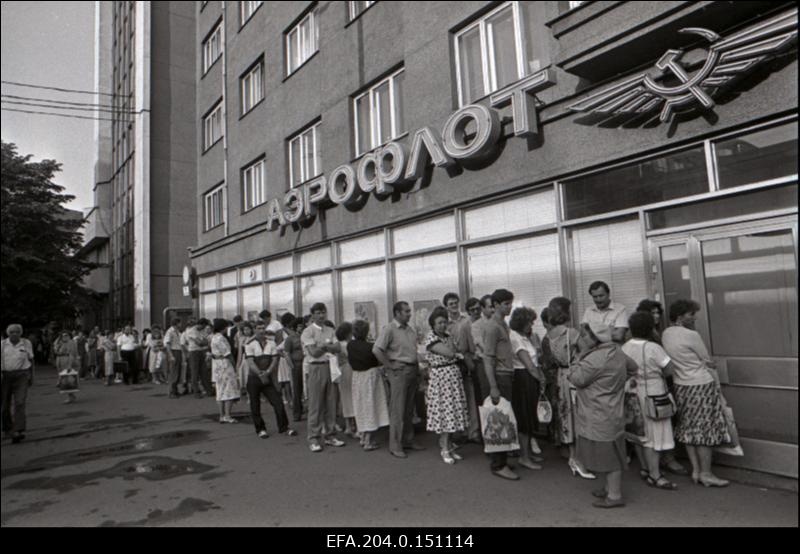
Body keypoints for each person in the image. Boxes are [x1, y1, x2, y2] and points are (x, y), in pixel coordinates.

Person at [567, 322, 638, 508]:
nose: (580, 339)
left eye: (584, 336)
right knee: (611, 451)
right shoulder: (617, 351)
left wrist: (578, 357)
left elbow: (576, 378)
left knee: (609, 457)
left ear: (593, 339)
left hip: (597, 411)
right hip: (613, 409)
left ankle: (614, 496)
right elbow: (634, 367)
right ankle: (608, 489)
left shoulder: (595, 358)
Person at [662, 299, 730, 488]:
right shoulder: (692, 335)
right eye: (691, 314)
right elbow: (707, 361)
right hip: (700, 384)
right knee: (705, 430)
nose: (694, 317)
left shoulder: (666, 333)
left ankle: (696, 471)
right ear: (680, 316)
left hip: (681, 386)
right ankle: (707, 473)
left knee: (689, 428)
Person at [622, 312, 678, 490]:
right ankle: (655, 475)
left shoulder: (625, 347)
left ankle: (645, 468)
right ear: (650, 328)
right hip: (653, 393)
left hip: (632, 392)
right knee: (654, 436)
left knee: (638, 433)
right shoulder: (653, 348)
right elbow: (669, 370)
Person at [634, 300, 688, 477]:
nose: (656, 316)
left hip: (661, 383)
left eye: (658, 313)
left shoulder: (661, 332)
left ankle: (655, 463)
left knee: (662, 422)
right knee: (656, 424)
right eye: (652, 313)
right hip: (654, 384)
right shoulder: (647, 338)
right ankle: (663, 462)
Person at [546, 296, 595, 479]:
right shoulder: (571, 332)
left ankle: (573, 456)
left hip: (560, 377)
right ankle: (578, 459)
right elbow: (586, 351)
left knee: (567, 417)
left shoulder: (550, 334)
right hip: (574, 375)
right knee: (579, 416)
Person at [373, 301, 425, 459]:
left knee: (409, 408)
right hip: (399, 372)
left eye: (409, 311)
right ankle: (395, 445)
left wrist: (419, 369)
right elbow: (377, 350)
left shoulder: (410, 330)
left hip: (412, 370)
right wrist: (390, 366)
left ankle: (408, 440)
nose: (410, 314)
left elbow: (413, 351)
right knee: (398, 409)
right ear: (397, 313)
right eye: (406, 311)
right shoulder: (389, 329)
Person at [479, 289, 520, 480]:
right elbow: (488, 359)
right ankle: (498, 465)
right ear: (495, 305)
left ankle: (501, 459)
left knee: (504, 419)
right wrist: (493, 386)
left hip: (506, 374)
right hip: (499, 376)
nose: (509, 307)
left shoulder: (503, 324)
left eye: (510, 303)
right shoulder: (492, 327)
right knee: (498, 419)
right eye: (505, 304)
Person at [424, 307, 470, 465]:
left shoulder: (448, 335)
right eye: (439, 323)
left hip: (453, 378)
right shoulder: (431, 339)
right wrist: (456, 353)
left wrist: (456, 352)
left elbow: (457, 350)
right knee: (445, 414)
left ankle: (450, 446)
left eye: (445, 322)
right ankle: (444, 447)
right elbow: (451, 353)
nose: (443, 325)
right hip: (441, 380)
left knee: (454, 413)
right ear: (433, 324)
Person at [301, 304, 344, 451]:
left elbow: (338, 348)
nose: (321, 316)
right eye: (318, 313)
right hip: (316, 368)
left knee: (331, 403)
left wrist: (324, 346)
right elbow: (313, 353)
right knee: (316, 405)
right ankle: (313, 438)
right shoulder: (308, 332)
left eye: (323, 313)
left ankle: (330, 435)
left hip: (330, 366)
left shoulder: (330, 330)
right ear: (312, 315)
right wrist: (327, 346)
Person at [508, 307, 546, 471]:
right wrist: (541, 378)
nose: (532, 324)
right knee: (525, 418)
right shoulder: (515, 338)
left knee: (530, 416)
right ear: (522, 322)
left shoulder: (525, 337)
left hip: (530, 378)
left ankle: (527, 453)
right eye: (530, 321)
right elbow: (529, 365)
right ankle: (524, 456)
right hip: (524, 379)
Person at [246, 321, 297, 438]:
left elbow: (274, 360)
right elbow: (250, 362)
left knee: (278, 403)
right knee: (255, 405)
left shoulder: (271, 343)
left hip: (267, 377)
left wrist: (268, 372)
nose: (261, 330)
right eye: (258, 328)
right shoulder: (250, 344)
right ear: (254, 330)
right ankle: (260, 429)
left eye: (263, 328)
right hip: (254, 378)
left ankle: (284, 427)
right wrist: (260, 373)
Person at [444, 293, 481, 444]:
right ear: (446, 306)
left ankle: (473, 431)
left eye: (455, 303)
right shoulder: (445, 323)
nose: (454, 306)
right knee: (458, 397)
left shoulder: (467, 320)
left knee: (471, 395)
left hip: (468, 359)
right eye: (450, 304)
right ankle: (460, 431)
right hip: (453, 361)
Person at [347, 320, 389, 451]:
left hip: (357, 377)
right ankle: (368, 440)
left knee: (360, 406)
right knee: (371, 405)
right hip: (370, 376)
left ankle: (363, 435)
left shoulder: (350, 345)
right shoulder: (371, 346)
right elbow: (378, 360)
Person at [2, 324, 34, 443]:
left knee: (20, 402)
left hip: (22, 375)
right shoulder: (2, 345)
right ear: (8, 334)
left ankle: (18, 430)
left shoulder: (26, 343)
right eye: (11, 332)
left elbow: (31, 359)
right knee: (4, 405)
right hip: (5, 376)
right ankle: (7, 428)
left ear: (20, 333)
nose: (14, 334)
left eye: (16, 332)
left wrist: (31, 376)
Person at [210, 319, 241, 423]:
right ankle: (227, 415)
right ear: (223, 328)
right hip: (225, 364)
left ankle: (222, 415)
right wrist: (235, 366)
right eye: (226, 327)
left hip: (217, 365)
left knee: (220, 390)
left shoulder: (214, 337)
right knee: (229, 389)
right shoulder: (221, 339)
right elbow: (228, 354)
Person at [334, 322, 358, 438]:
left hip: (342, 370)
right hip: (350, 369)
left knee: (345, 398)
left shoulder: (338, 344)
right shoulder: (347, 345)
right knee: (352, 397)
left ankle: (349, 425)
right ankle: (353, 425)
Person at [282, 317, 306, 422]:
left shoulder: (306, 336)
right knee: (297, 389)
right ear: (295, 327)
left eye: (303, 326)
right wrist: (292, 366)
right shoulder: (290, 338)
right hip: (296, 365)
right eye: (300, 326)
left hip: (307, 364)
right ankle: (297, 413)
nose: (302, 328)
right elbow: (286, 353)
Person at [186, 318, 213, 398]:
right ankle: (196, 392)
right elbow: (200, 343)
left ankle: (209, 390)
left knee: (204, 372)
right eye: (204, 326)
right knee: (195, 372)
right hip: (193, 352)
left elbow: (206, 342)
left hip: (202, 351)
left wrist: (204, 342)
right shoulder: (191, 331)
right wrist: (204, 342)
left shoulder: (202, 331)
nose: (205, 328)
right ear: (201, 324)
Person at [54, 331, 80, 404]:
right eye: (63, 336)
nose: (64, 337)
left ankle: (71, 396)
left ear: (69, 336)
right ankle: (71, 395)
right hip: (60, 360)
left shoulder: (71, 343)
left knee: (68, 379)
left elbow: (72, 354)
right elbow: (55, 350)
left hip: (67, 361)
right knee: (65, 379)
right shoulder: (60, 342)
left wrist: (69, 365)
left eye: (66, 335)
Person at [164, 318, 184, 398]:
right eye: (180, 323)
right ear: (177, 323)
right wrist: (171, 355)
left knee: (178, 372)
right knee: (173, 372)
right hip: (173, 351)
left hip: (178, 351)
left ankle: (175, 390)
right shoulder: (170, 332)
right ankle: (172, 392)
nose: (181, 324)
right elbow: (167, 344)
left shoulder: (178, 332)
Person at [235, 322, 254, 397]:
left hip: (253, 359)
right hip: (244, 359)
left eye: (248, 329)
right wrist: (238, 364)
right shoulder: (241, 339)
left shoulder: (254, 337)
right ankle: (248, 394)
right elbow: (240, 352)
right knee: (245, 377)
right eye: (244, 330)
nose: (246, 331)